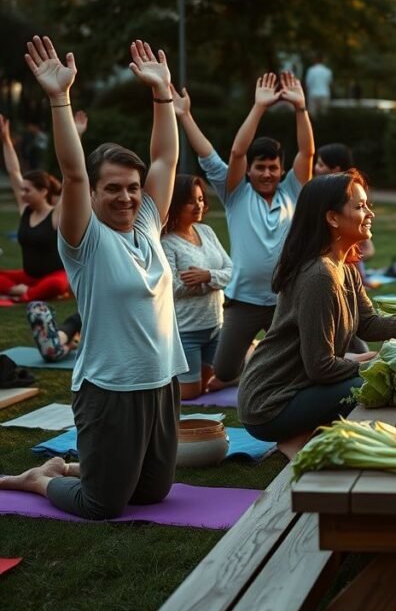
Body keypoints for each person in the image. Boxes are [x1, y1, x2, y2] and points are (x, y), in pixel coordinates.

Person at [0, 36, 186, 519]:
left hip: (161, 381)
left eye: (131, 188)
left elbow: (165, 159)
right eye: (112, 189)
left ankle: (87, 466)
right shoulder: (84, 239)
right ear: (96, 192)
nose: (125, 197)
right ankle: (39, 480)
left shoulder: (147, 221)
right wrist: (60, 98)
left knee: (152, 493)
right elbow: (74, 172)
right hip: (111, 390)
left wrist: (162, 94)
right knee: (102, 504)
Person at [238, 171, 396, 457]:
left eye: (367, 205)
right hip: (270, 404)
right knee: (376, 383)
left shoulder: (344, 268)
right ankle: (296, 438)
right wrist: (375, 363)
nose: (370, 213)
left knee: (374, 378)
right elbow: (320, 367)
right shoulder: (319, 276)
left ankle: (305, 436)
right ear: (332, 218)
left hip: (296, 388)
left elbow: (367, 324)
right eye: (359, 206)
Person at [173, 75, 314, 383]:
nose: (267, 173)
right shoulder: (237, 193)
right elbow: (232, 153)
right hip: (244, 302)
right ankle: (257, 352)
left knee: (306, 362)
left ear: (282, 170)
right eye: (259, 167)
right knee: (225, 370)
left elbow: (307, 153)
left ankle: (277, 366)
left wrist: (301, 109)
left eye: (273, 167)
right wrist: (259, 107)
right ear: (248, 170)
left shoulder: (292, 190)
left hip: (285, 300)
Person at [161, 175, 234, 400]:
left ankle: (245, 356)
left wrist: (205, 276)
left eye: (201, 199)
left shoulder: (207, 232)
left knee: (212, 384)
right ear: (175, 204)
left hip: (215, 325)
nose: (199, 205)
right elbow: (173, 287)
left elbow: (233, 271)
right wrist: (212, 282)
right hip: (187, 331)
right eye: (191, 201)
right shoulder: (167, 242)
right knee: (191, 394)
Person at [0, 114, 69, 302]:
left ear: (43, 191)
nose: (22, 194)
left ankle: (22, 294)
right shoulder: (26, 210)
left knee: (56, 285)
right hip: (28, 277)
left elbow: (70, 176)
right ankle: (22, 292)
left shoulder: (56, 215)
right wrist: (6, 140)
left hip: (53, 276)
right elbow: (14, 172)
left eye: (27, 190)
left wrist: (75, 135)